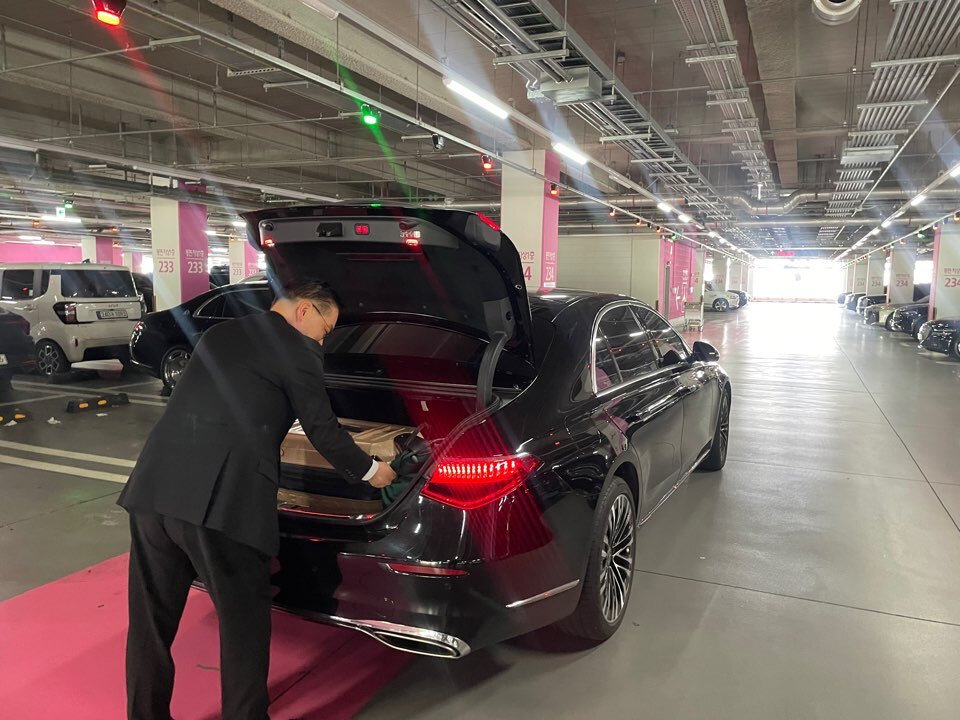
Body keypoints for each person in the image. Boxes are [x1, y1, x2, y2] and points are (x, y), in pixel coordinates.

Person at [117, 278, 396, 720]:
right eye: (326, 330)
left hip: (155, 486)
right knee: (244, 620)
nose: (324, 341)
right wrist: (372, 471)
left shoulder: (220, 333)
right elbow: (323, 430)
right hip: (223, 502)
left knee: (151, 621)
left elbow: (224, 404)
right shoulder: (298, 349)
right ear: (305, 310)